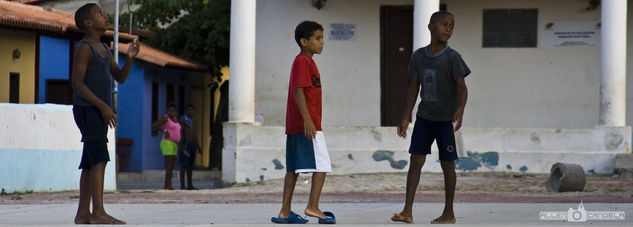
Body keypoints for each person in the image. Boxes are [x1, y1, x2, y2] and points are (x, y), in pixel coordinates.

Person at [391, 11, 470, 224]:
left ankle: (449, 213)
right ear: (430, 27)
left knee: (447, 165)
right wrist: (405, 116)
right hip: (425, 118)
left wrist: (460, 110)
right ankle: (407, 211)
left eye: (452, 26)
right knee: (416, 161)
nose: (448, 29)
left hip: (446, 121)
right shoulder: (418, 56)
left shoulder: (453, 57)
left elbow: (462, 88)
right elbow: (413, 87)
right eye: (444, 24)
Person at [71, 3, 139, 225]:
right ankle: (98, 212)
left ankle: (83, 214)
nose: (105, 16)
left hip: (97, 111)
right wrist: (102, 106)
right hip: (88, 110)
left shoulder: (104, 49)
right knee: (99, 159)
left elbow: (119, 77)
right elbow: (77, 84)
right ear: (89, 23)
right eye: (99, 14)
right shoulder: (84, 48)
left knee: (90, 162)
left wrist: (129, 56)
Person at [270, 21, 335, 224]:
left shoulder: (307, 61)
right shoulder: (303, 62)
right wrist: (308, 120)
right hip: (308, 125)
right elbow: (299, 91)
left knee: (293, 169)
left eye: (322, 38)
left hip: (297, 125)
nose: (322, 42)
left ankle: (284, 212)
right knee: (322, 164)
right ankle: (313, 206)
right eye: (317, 38)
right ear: (304, 41)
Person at [152, 103, 181, 190]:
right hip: (167, 143)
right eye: (169, 111)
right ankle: (167, 186)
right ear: (167, 111)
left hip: (174, 144)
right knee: (169, 165)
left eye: (173, 111)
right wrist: (164, 130)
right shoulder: (166, 118)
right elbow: (155, 125)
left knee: (172, 166)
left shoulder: (175, 119)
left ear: (175, 111)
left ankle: (168, 185)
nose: (171, 113)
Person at [179, 104, 201, 190]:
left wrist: (198, 147)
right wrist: (181, 145)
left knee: (190, 166)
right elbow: (180, 132)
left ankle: (190, 185)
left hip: (192, 144)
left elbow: (195, 134)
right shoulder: (183, 119)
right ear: (185, 111)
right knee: (183, 165)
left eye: (191, 110)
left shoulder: (194, 120)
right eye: (188, 110)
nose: (190, 112)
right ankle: (182, 185)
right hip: (185, 144)